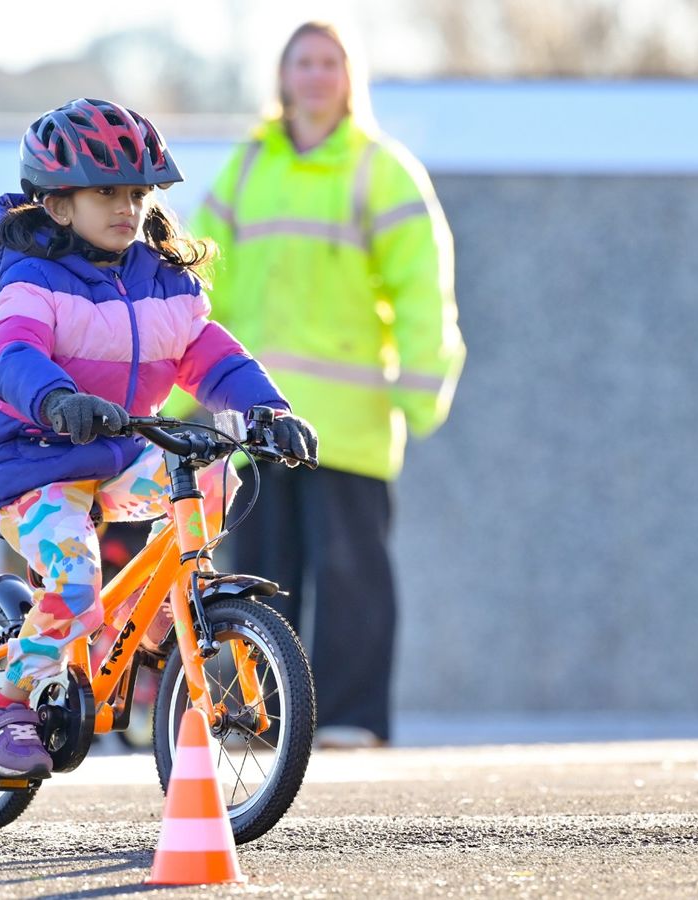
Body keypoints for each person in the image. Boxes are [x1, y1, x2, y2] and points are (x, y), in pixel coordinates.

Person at [0, 97, 318, 777]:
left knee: (217, 471)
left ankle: (162, 604)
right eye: (106, 193)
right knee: (72, 580)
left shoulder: (163, 281)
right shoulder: (34, 280)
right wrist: (56, 399)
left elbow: (213, 356)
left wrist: (268, 412)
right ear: (58, 205)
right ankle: (5, 705)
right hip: (33, 460)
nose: (127, 207)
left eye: (137, 192)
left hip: (118, 452)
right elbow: (11, 356)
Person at [190, 22, 466, 749]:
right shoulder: (247, 169)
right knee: (261, 577)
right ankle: (256, 717)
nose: (314, 75)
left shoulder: (381, 169)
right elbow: (198, 279)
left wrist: (421, 381)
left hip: (349, 419)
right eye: (301, 62)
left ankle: (349, 717)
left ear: (350, 78)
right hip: (257, 422)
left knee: (350, 576)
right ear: (282, 78)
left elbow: (420, 287)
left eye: (329, 63)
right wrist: (181, 380)